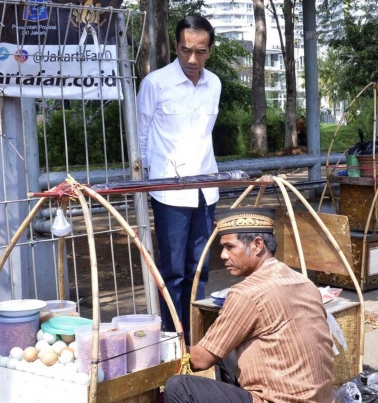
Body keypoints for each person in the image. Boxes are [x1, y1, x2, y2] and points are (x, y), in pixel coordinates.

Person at [164, 207, 335, 403]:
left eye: (230, 247)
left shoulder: (246, 293)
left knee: (179, 387)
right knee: (222, 350)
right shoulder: (303, 281)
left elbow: (200, 360)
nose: (223, 255)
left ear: (257, 245)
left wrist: (167, 353)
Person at [137, 15, 222, 344]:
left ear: (209, 51)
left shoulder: (214, 84)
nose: (191, 59)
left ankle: (196, 340)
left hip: (206, 191)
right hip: (169, 193)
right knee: (172, 271)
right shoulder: (156, 83)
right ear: (176, 46)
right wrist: (147, 183)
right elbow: (141, 139)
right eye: (186, 50)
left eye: (200, 52)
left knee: (198, 270)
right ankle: (173, 341)